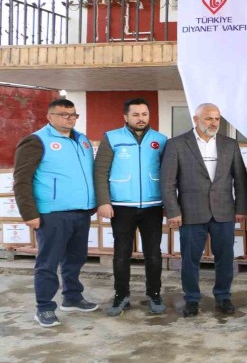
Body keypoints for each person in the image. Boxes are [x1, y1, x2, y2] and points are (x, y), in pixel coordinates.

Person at [13, 98, 99, 327]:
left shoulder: (82, 140)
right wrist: (29, 214)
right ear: (49, 117)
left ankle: (72, 297)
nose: (70, 118)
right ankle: (44, 307)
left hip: (81, 211)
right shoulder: (36, 141)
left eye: (73, 115)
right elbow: (21, 180)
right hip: (52, 213)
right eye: (64, 114)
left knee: (75, 259)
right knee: (48, 262)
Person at [160, 103, 247, 317]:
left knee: (225, 258)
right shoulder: (177, 144)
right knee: (190, 259)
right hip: (190, 212)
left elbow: (240, 180)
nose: (214, 123)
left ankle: (223, 296)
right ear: (196, 119)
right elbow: (168, 181)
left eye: (217, 119)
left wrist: (240, 208)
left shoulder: (230, 144)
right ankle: (191, 299)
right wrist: (173, 211)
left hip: (224, 212)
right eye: (209, 118)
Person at [94, 98, 168, 316]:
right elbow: (100, 171)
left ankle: (154, 294)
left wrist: (169, 203)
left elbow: (169, 173)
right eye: (136, 115)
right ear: (125, 117)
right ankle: (121, 296)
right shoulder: (112, 138)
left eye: (144, 114)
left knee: (153, 254)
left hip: (153, 205)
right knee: (121, 254)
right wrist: (104, 201)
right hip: (121, 206)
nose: (141, 118)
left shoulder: (160, 140)